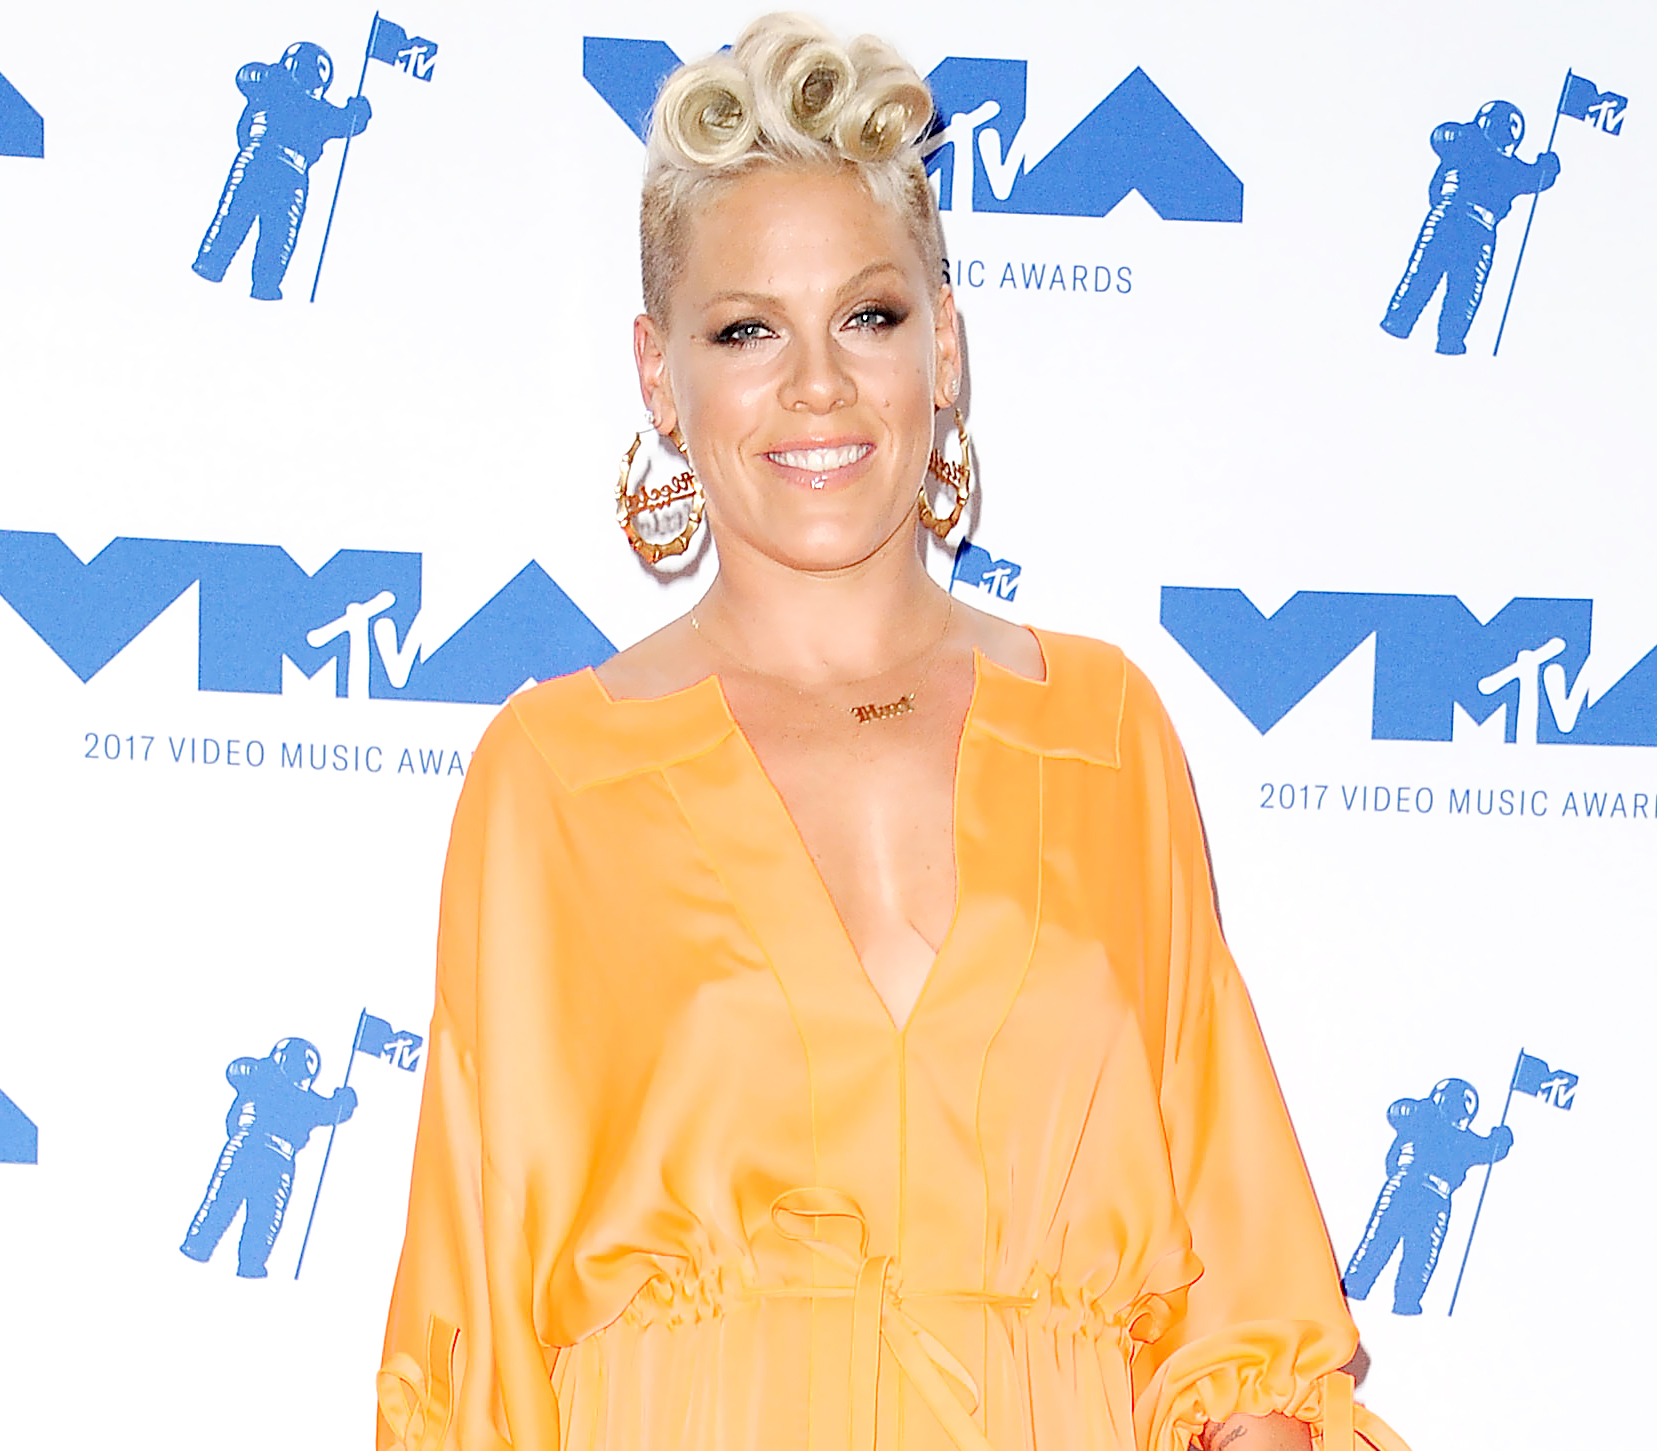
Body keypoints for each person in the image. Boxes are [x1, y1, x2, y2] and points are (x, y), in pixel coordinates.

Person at [378, 16, 1410, 1450]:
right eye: (746, 329)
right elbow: (475, 1333)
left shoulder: (1100, 729)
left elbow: (1240, 1328)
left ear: (945, 344)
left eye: (867, 315)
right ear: (659, 376)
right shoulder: (554, 777)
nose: (817, 382)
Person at [191, 41, 372, 301]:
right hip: (274, 166)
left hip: (268, 164)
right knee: (266, 230)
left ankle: (225, 268)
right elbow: (247, 75)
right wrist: (358, 112)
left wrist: (358, 114)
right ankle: (246, 277)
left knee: (252, 224)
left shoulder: (277, 90)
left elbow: (348, 122)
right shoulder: (278, 89)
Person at [1379, 100, 1560, 355]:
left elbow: (1536, 178)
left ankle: (1411, 326)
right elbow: (1537, 177)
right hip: (1466, 223)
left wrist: (1547, 168)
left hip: (1456, 219)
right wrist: (1547, 166)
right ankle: (1439, 337)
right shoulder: (1473, 147)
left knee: (1438, 280)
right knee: (1456, 288)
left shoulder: (1466, 145)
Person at [180, 1036, 357, 1277]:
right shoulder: (295, 1094)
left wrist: (344, 1101)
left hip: (251, 1148)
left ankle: (202, 1246)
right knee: (260, 1216)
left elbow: (236, 1070)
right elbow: (333, 1111)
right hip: (269, 1155)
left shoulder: (261, 1077)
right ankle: (243, 1262)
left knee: (230, 1204)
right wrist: (344, 1099)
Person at [1342, 1077, 1515, 1315]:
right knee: (1398, 1247)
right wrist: (1501, 1138)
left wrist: (1501, 1139)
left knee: (1409, 1251)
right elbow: (1397, 1111)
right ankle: (1371, 1290)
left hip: (1422, 1193)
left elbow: (1490, 1150)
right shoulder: (1423, 1119)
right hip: (1414, 1189)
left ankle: (1386, 1295)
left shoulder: (1440, 1128)